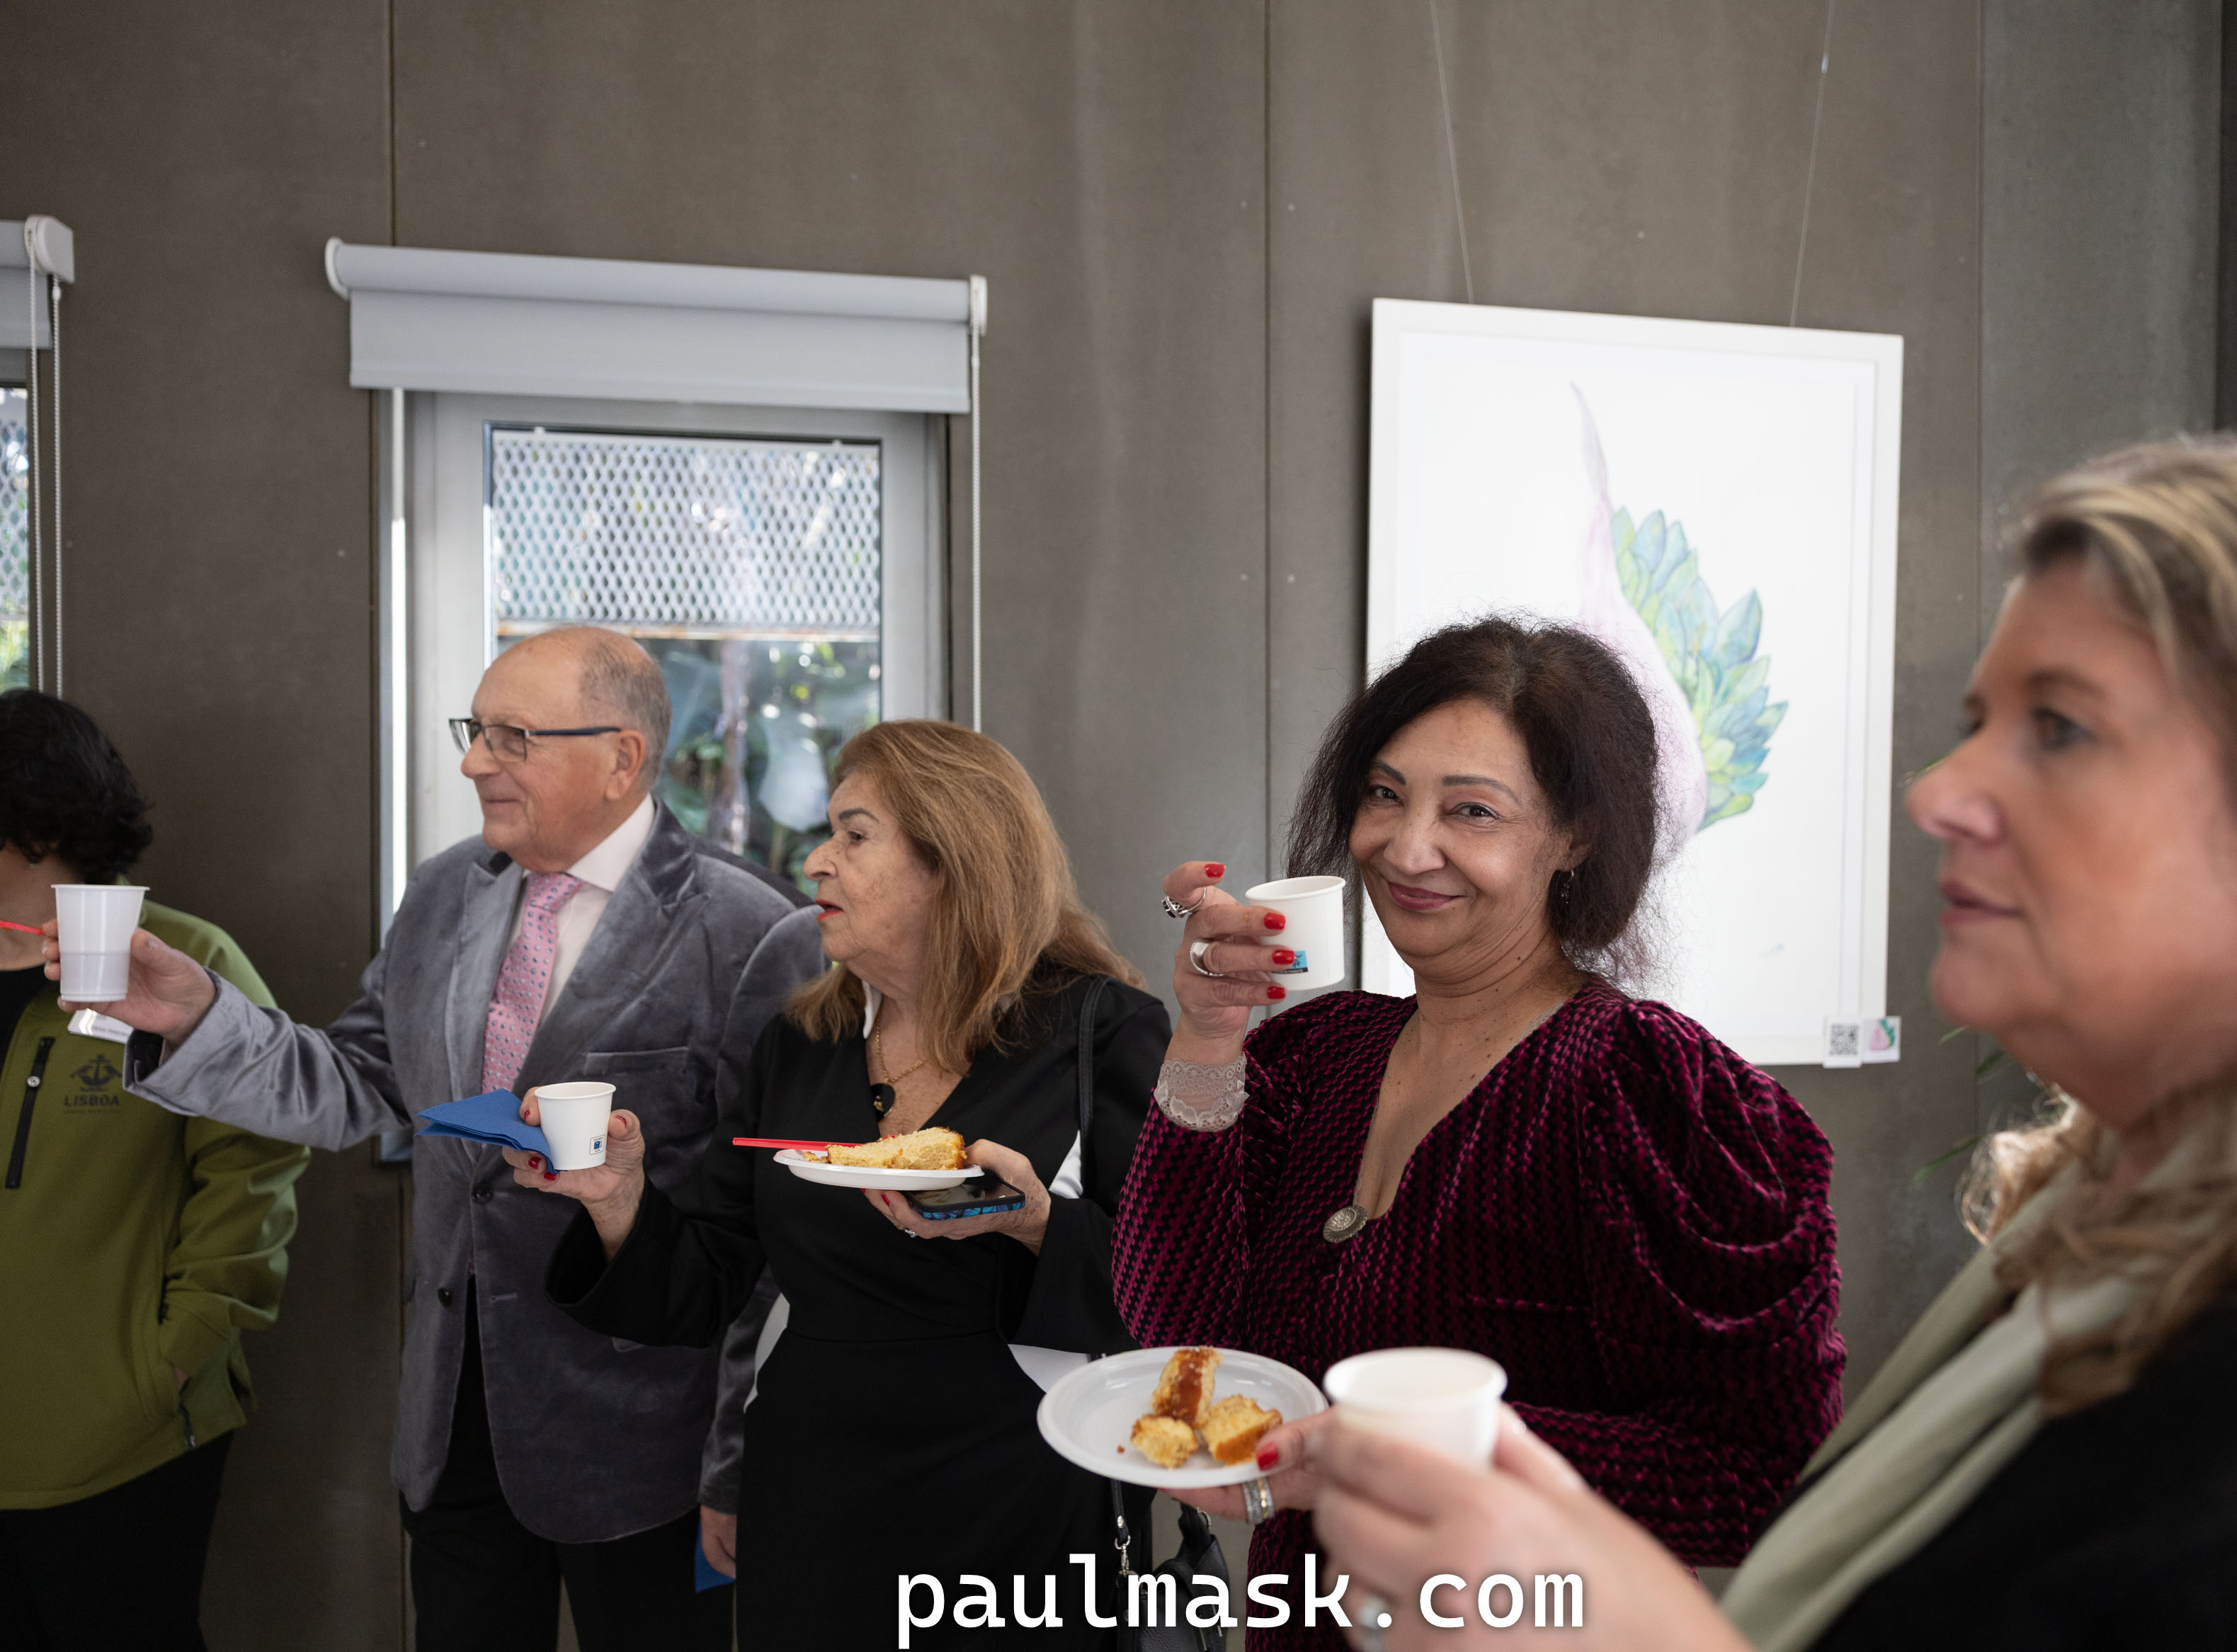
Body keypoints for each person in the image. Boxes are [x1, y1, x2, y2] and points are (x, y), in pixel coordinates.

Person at [1307, 442, 2237, 1651]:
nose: (1938, 791)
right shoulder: (2104, 1219)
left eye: (2061, 727)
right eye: (1979, 723)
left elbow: (1748, 1465)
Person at [72, 627, 821, 1652]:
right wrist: (197, 1015)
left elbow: (776, 1241)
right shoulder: (441, 892)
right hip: (452, 1422)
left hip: (649, 1446)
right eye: (475, 730)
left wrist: (738, 1459)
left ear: (622, 759)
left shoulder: (752, 928)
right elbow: (357, 1081)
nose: (474, 762)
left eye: (514, 737)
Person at [1116, 618, 1846, 1645]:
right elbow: (1178, 1330)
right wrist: (1206, 1033)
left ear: (1575, 835)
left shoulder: (1642, 1090)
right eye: (1384, 795)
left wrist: (1403, 1447)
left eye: (1472, 809)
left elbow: (1756, 1471)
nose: (1407, 847)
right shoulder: (1322, 1051)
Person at [511, 719, 1173, 1651]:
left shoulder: (1103, 1033)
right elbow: (705, 1277)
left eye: (854, 836)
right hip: (817, 1493)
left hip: (1023, 1485)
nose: (816, 861)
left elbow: (1173, 1283)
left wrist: (1036, 1225)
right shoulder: (800, 1043)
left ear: (955, 862)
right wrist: (617, 1198)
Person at [0, 691, 309, 1651]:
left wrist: (175, 1352)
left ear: (38, 828)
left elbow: (259, 1160)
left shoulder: (180, 963)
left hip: (122, 1432)